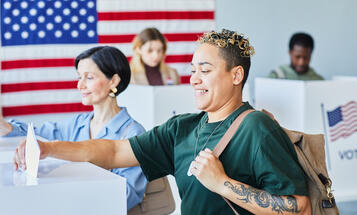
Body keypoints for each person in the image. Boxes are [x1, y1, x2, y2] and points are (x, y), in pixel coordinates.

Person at [14, 30, 311, 215]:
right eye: (193, 70)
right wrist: (50, 148)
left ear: (236, 76)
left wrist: (222, 184)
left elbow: (300, 207)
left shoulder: (257, 127)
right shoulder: (180, 128)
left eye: (205, 71)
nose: (194, 79)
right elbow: (114, 152)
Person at [1, 46, 147, 210]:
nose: (80, 85)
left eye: (89, 77)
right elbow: (37, 136)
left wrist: (70, 194)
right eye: (79, 77)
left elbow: (127, 195)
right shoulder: (77, 124)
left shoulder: (134, 134)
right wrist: (3, 125)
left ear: (113, 81)